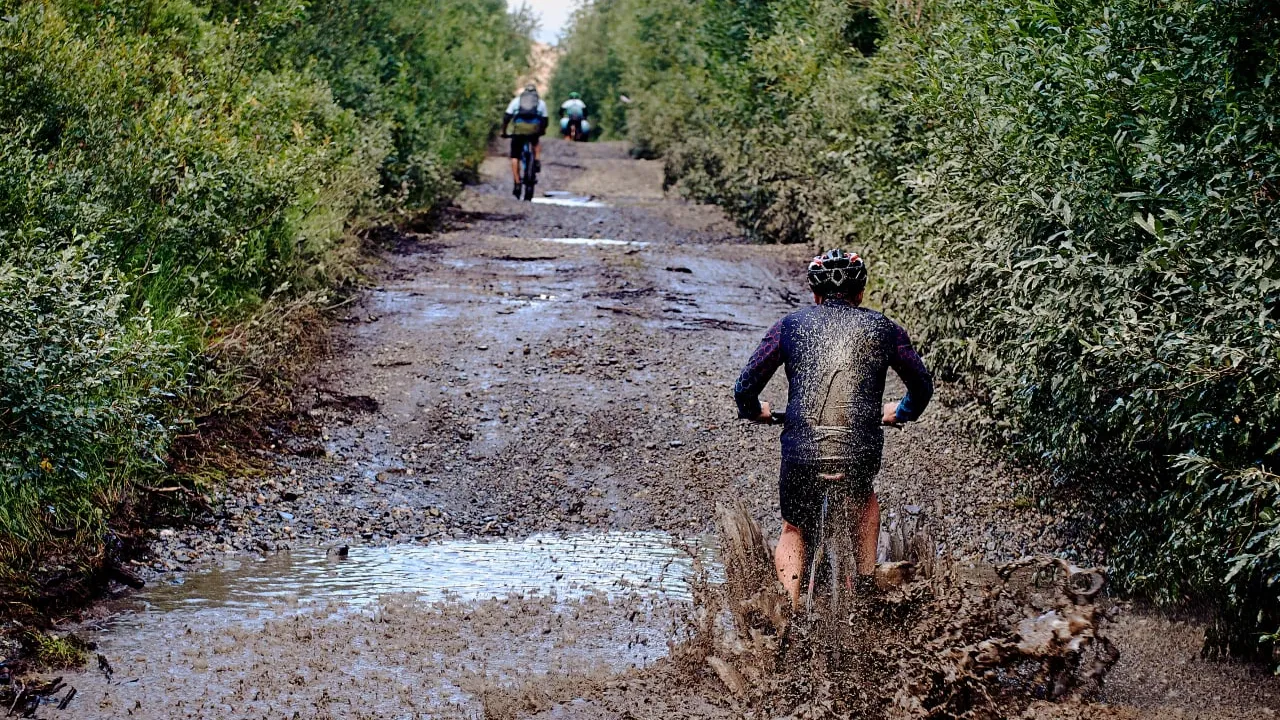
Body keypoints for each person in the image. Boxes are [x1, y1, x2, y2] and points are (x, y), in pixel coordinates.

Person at [733, 249, 933, 608]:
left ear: (815, 294)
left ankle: (789, 610)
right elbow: (922, 387)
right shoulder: (885, 329)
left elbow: (745, 387)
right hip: (859, 447)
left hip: (802, 449)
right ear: (860, 294)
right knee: (864, 499)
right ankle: (867, 579)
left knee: (794, 527)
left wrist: (755, 411)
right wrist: (899, 412)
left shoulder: (789, 326)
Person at [501, 84, 548, 198]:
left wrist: (504, 131)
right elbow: (545, 119)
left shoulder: (516, 101)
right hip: (533, 131)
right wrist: (542, 130)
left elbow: (507, 117)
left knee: (515, 156)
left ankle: (517, 182)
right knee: (536, 142)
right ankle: (536, 160)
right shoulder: (540, 103)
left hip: (519, 131)